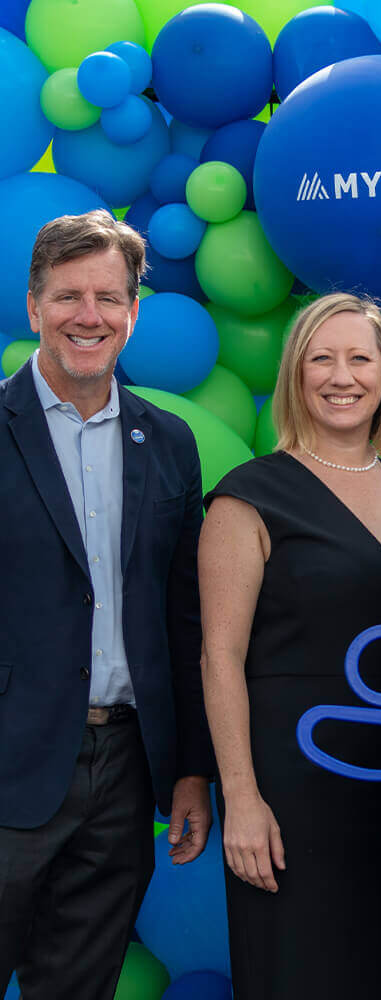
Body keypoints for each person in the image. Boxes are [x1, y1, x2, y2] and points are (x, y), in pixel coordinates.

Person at [0, 211, 213, 999]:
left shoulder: (168, 441)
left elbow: (181, 613)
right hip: (10, 766)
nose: (88, 316)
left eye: (108, 297)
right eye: (67, 297)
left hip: (124, 776)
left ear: (133, 311)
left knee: (78, 987)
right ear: (33, 308)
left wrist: (190, 769)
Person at [198, 293, 381, 998]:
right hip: (288, 794)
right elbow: (219, 658)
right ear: (295, 377)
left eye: (360, 358)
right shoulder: (249, 496)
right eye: (320, 359)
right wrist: (240, 798)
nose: (342, 376)